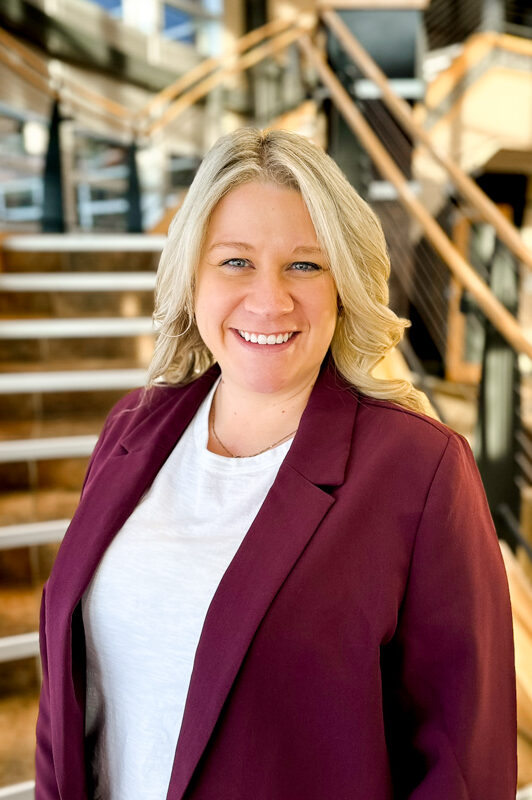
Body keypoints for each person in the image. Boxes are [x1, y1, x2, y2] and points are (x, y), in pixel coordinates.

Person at [35, 128, 516, 800]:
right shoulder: (130, 431)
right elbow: (68, 706)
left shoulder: (420, 469)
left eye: (304, 265)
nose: (270, 301)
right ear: (192, 277)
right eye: (235, 262)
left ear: (344, 283)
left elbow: (463, 768)